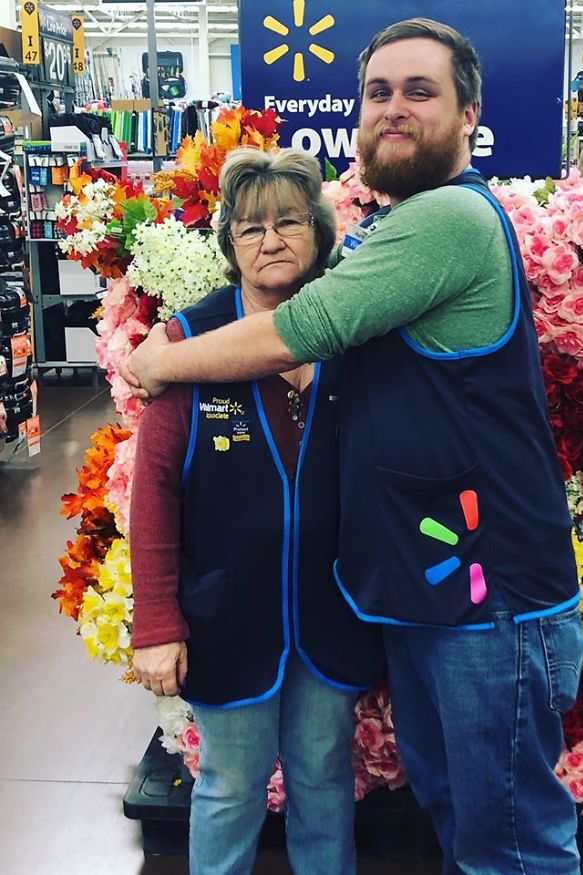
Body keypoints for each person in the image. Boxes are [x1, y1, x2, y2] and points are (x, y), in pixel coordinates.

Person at [124, 18, 583, 875]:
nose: (394, 109)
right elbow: (346, 372)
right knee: (464, 819)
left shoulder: (446, 218)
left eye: (421, 91)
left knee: (509, 845)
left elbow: (303, 332)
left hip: (492, 600)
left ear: (470, 113)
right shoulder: (393, 235)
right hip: (435, 595)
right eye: (379, 92)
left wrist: (161, 360)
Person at [129, 147, 384, 875]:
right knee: (231, 787)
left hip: (331, 616)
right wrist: (156, 623)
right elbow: (154, 491)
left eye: (288, 222)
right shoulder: (187, 342)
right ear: (229, 244)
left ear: (320, 234)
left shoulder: (356, 335)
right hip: (228, 617)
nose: (270, 240)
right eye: (250, 228)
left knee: (324, 778)